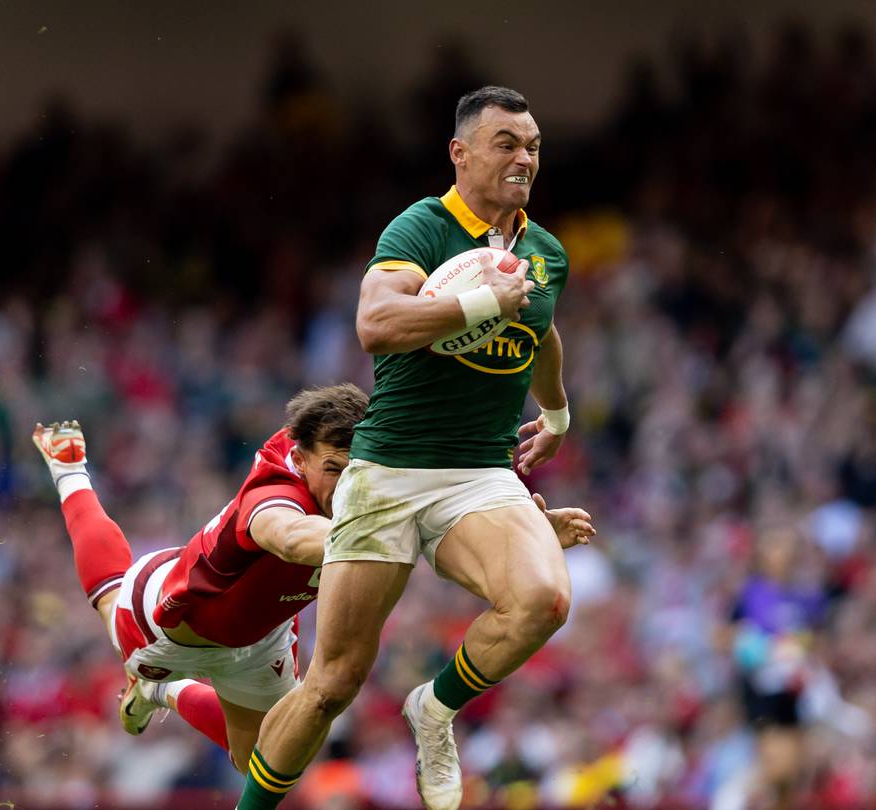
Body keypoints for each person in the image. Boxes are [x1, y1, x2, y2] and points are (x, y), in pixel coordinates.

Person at [241, 86, 572, 810]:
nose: (525, 158)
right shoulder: (422, 228)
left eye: (534, 146)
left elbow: (541, 329)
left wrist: (557, 411)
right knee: (332, 683)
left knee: (543, 601)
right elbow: (376, 323)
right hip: (389, 469)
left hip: (480, 473)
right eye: (507, 143)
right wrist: (482, 302)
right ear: (460, 153)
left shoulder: (545, 251)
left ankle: (436, 708)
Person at [32, 385, 595, 781]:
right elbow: (292, 536)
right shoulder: (272, 497)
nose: (347, 483)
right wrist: (372, 536)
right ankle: (70, 469)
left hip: (263, 637)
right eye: (334, 468)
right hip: (174, 623)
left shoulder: (373, 476)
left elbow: (437, 527)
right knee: (108, 598)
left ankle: (166, 695)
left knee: (263, 762)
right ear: (300, 458)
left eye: (356, 468)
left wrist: (526, 534)